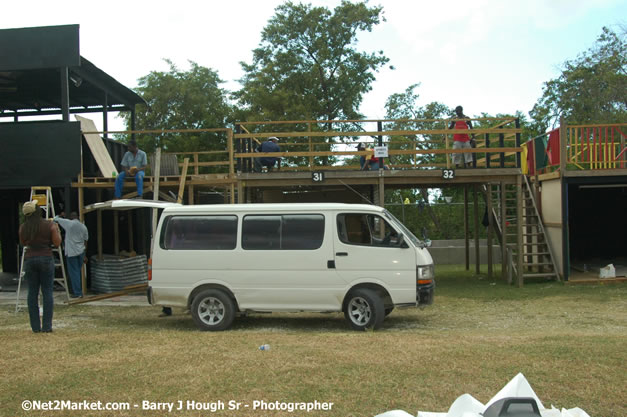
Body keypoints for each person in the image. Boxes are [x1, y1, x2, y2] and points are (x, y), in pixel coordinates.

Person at [19, 201, 62, 333]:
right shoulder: (50, 225)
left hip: (30, 258)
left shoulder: (23, 227)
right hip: (45, 256)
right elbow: (57, 243)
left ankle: (35, 327)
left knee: (32, 293)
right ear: (38, 211)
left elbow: (23, 242)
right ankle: (47, 326)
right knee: (47, 292)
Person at [53, 211, 88, 298]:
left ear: (71, 217)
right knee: (78, 272)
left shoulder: (69, 223)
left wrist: (60, 215)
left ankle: (77, 293)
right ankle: (78, 291)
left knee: (74, 273)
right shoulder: (83, 227)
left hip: (71, 252)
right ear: (78, 217)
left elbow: (55, 219)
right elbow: (86, 241)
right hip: (81, 252)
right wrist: (84, 255)